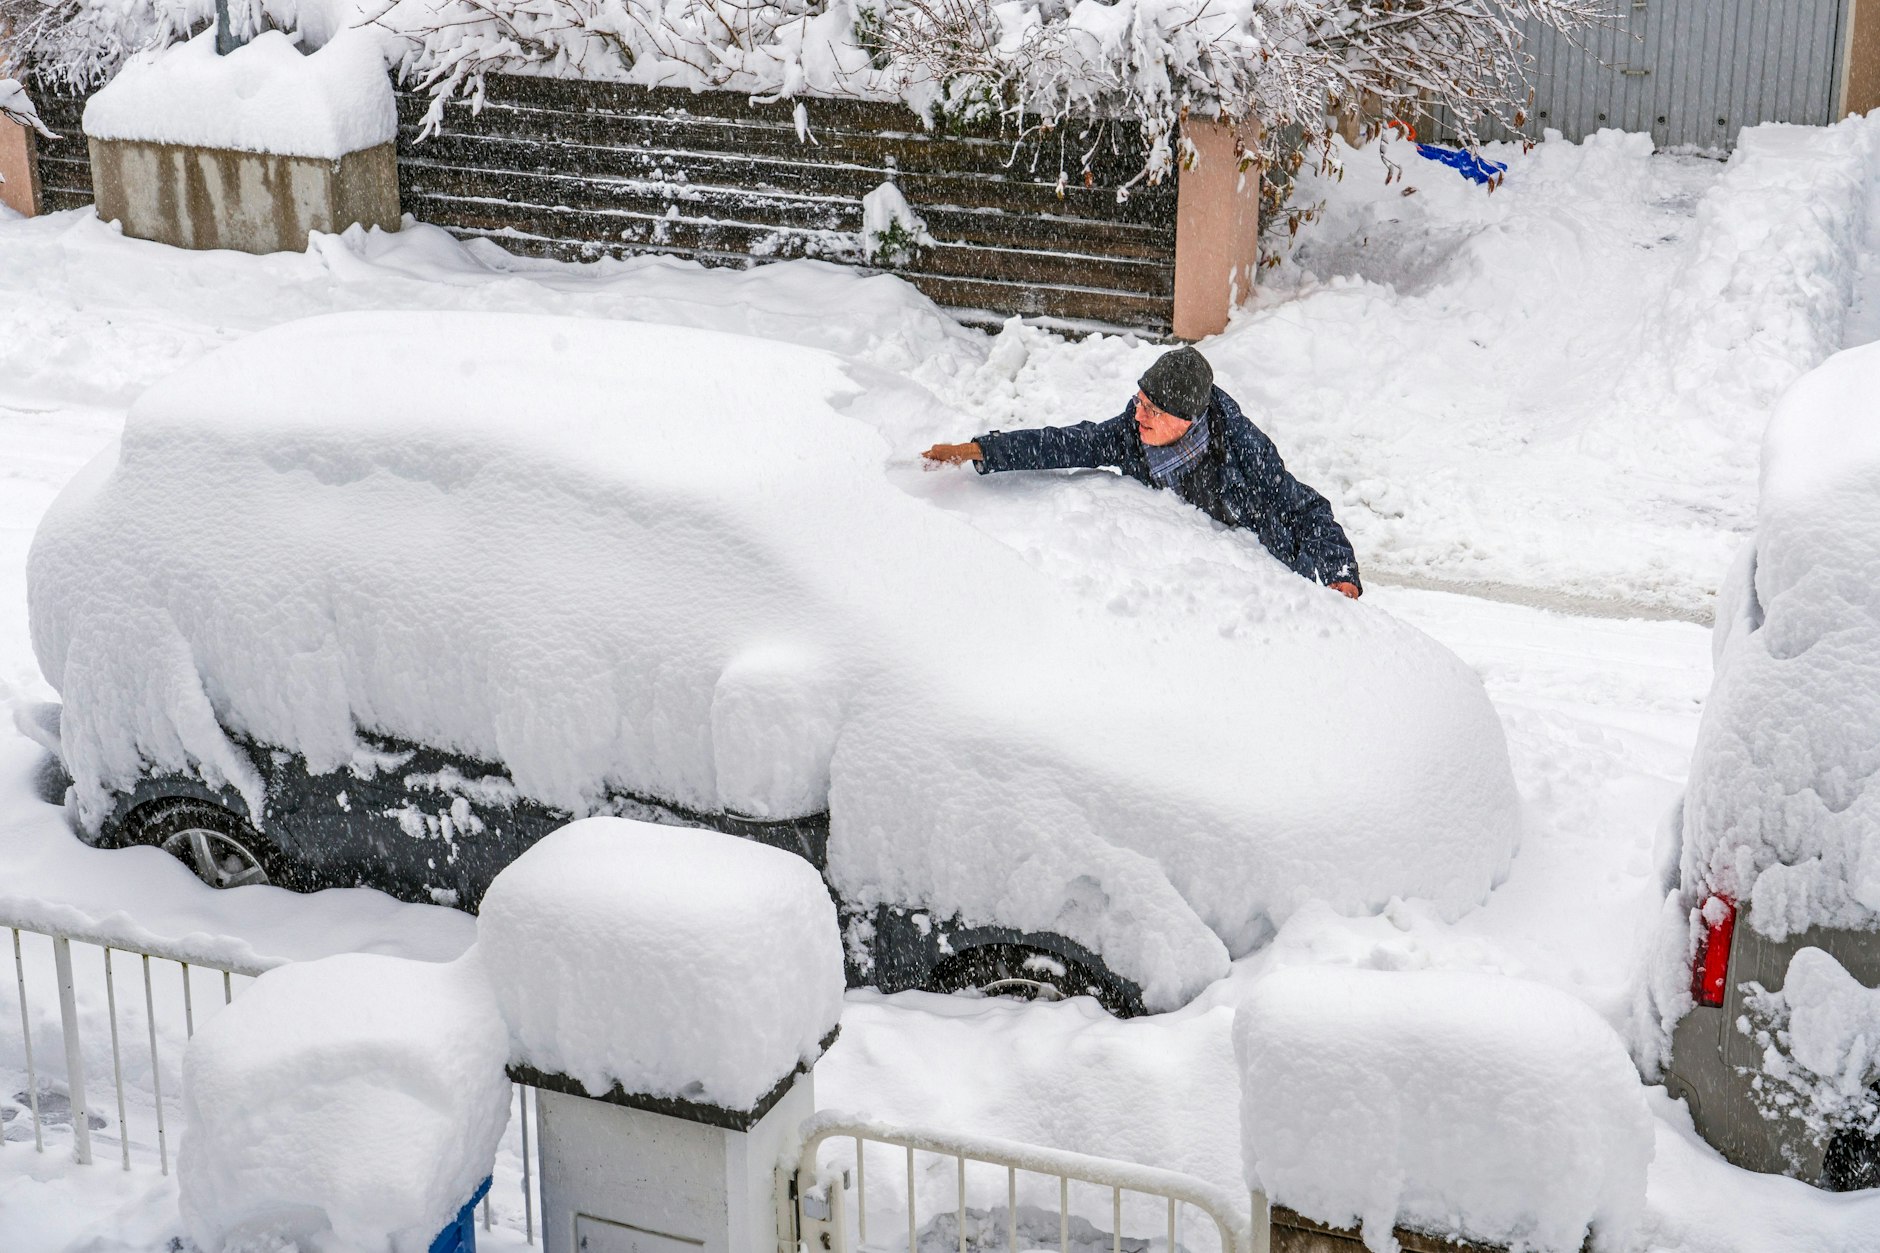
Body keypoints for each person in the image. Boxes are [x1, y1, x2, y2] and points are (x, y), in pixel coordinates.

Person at [922, 347, 1363, 597]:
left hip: (1270, 587)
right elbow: (1064, 443)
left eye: (1152, 409)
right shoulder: (1132, 433)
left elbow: (1307, 509)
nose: (1139, 413)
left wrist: (1340, 574)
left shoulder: (1242, 448)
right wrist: (980, 450)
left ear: (1187, 420)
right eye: (1138, 400)